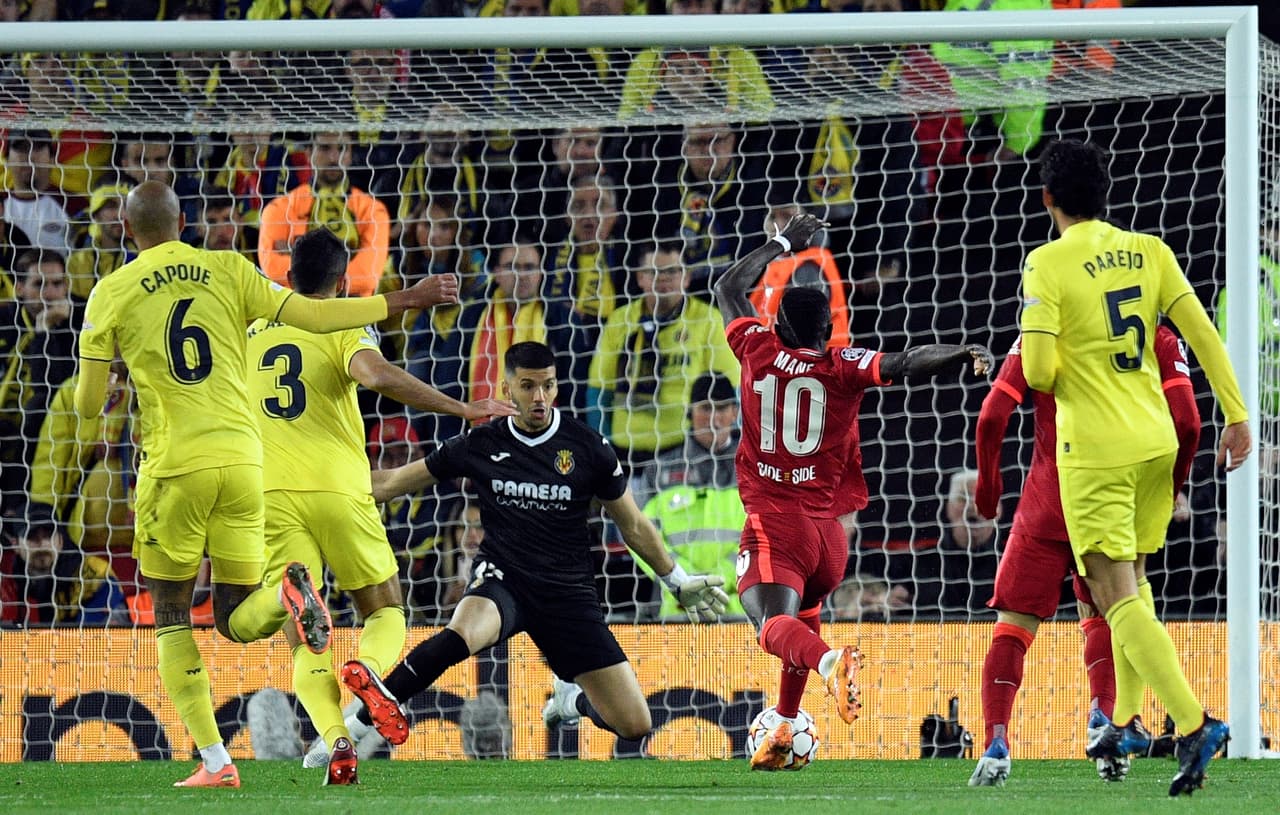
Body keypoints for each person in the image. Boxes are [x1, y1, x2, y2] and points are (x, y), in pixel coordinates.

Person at [72, 180, 459, 789]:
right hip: (255, 469)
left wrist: (112, 377)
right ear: (184, 221)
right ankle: (344, 691)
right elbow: (327, 327)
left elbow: (88, 407)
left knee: (182, 614)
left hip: (191, 470)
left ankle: (221, 758)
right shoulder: (231, 272)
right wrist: (405, 299)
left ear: (125, 230)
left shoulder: (118, 293)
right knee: (329, 612)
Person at [332, 341, 730, 750]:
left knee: (635, 724)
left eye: (548, 385)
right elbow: (390, 483)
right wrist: (319, 487)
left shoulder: (587, 447)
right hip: (504, 579)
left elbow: (633, 524)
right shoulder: (481, 442)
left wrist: (676, 580)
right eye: (527, 386)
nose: (539, 397)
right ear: (507, 389)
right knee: (461, 634)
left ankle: (572, 701)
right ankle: (356, 725)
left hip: (567, 595)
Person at [712, 212, 993, 770]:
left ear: (777, 323)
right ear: (827, 331)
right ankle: (785, 723)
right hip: (830, 539)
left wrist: (782, 243)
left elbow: (727, 287)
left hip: (776, 523)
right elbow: (907, 363)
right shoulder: (845, 364)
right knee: (801, 618)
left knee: (770, 627)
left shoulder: (757, 348)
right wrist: (962, 352)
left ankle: (829, 663)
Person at [1018, 138, 1250, 797]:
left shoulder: (1045, 262)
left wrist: (1063, 352)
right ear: (1106, 194)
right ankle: (1122, 720)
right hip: (1156, 443)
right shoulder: (1150, 251)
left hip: (1097, 450)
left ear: (1048, 199)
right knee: (1135, 581)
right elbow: (1201, 331)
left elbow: (1038, 371)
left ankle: (1194, 722)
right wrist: (1236, 414)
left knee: (1110, 591)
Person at [245, 228, 516, 784]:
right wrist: (461, 408)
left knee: (305, 639)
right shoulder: (343, 321)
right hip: (341, 488)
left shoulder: (250, 331)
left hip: (269, 495)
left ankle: (337, 742)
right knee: (385, 609)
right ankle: (367, 670)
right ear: (343, 283)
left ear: (287, 278)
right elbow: (374, 374)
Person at [967, 327, 1200, 787]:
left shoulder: (1044, 330)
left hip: (1047, 500)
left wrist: (989, 490)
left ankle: (996, 743)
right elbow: (1189, 424)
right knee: (1110, 615)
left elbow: (992, 415)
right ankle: (1106, 721)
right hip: (1110, 500)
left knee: (1013, 630)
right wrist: (1169, 488)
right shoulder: (1157, 336)